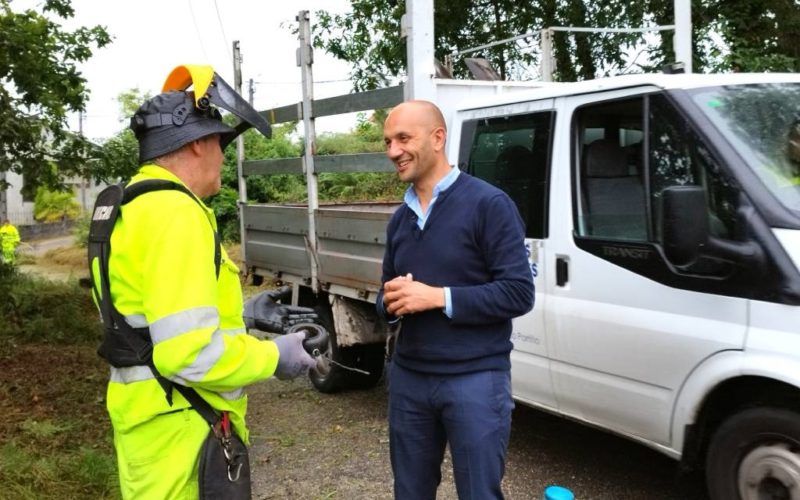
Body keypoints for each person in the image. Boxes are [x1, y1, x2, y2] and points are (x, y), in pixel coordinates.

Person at [90, 76, 317, 498]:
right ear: (197, 143)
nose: (222, 157)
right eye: (218, 142)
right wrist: (273, 357)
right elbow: (189, 354)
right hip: (186, 434)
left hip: (154, 430)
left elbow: (148, 321)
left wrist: (244, 313)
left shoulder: (135, 205)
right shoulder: (177, 212)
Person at [378, 100, 535, 499]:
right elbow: (386, 297)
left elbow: (518, 292)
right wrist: (391, 303)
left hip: (475, 380)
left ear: (438, 137)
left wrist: (437, 297)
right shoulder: (401, 218)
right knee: (410, 492)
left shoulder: (489, 205)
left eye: (403, 138)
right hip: (410, 379)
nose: (393, 151)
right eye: (388, 142)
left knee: (479, 494)